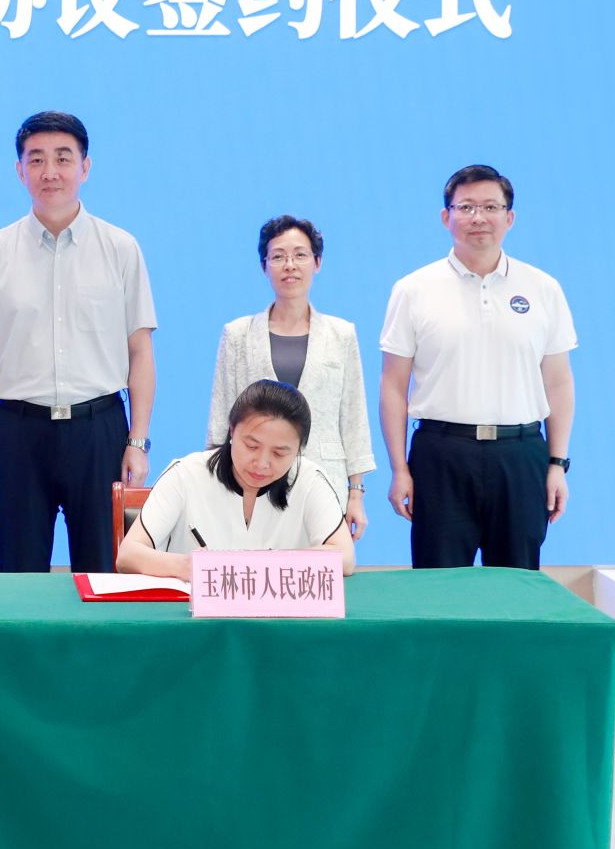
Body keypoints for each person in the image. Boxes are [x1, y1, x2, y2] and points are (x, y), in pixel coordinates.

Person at [0, 110, 157, 573]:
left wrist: (138, 442)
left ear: (85, 167)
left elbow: (140, 351)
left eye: (63, 158)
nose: (50, 172)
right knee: (20, 576)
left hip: (100, 430)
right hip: (19, 432)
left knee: (105, 573)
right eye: (36, 159)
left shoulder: (121, 248)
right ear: (19, 170)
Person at [379, 163, 576, 570]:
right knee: (439, 587)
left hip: (520, 455)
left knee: (517, 585)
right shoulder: (413, 289)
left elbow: (558, 382)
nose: (478, 218)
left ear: (509, 217)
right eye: (466, 207)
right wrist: (399, 468)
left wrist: (557, 464)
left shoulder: (543, 288)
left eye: (490, 207)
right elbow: (394, 385)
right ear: (445, 217)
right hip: (441, 455)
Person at [208, 214, 376, 539]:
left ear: (317, 263)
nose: (290, 265)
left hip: (325, 478)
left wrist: (356, 493)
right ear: (264, 266)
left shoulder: (341, 334)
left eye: (300, 255)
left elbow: (353, 415)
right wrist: (218, 487)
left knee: (321, 566)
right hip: (254, 477)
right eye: (278, 256)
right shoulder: (238, 334)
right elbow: (221, 417)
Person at [117, 380, 355, 578]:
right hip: (194, 615)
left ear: (299, 449)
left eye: (279, 453)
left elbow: (344, 558)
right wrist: (190, 567)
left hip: (281, 617)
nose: (262, 463)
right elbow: (127, 556)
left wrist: (262, 564)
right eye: (252, 446)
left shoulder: (310, 480)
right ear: (231, 431)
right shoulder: (185, 474)